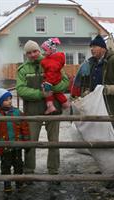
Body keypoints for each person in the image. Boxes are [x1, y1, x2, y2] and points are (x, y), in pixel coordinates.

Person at [15, 40, 69, 183]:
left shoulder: (52, 62)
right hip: (32, 112)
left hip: (53, 109)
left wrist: (51, 88)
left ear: (39, 51)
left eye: (35, 51)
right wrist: (41, 94)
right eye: (29, 52)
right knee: (31, 142)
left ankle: (53, 171)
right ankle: (29, 171)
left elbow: (65, 82)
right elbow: (20, 89)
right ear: (26, 54)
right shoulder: (23, 70)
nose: (33, 55)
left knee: (53, 142)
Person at [71, 34, 114, 138]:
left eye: (94, 47)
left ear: (103, 48)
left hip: (112, 106)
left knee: (112, 136)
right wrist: (89, 92)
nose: (92, 49)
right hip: (98, 105)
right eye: (91, 47)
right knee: (100, 135)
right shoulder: (93, 63)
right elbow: (94, 82)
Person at [0, 85, 30, 193]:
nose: (10, 101)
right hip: (5, 148)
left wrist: (26, 141)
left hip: (17, 145)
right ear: (0, 102)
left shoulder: (17, 112)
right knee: (5, 167)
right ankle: (7, 185)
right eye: (6, 100)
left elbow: (24, 127)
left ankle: (19, 183)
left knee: (18, 165)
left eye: (10, 98)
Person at [40, 37, 70, 114]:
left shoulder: (51, 61)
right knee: (58, 93)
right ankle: (65, 103)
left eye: (45, 50)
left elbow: (51, 72)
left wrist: (48, 83)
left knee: (48, 91)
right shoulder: (56, 59)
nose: (43, 52)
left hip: (51, 79)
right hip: (57, 78)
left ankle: (50, 106)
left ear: (51, 50)